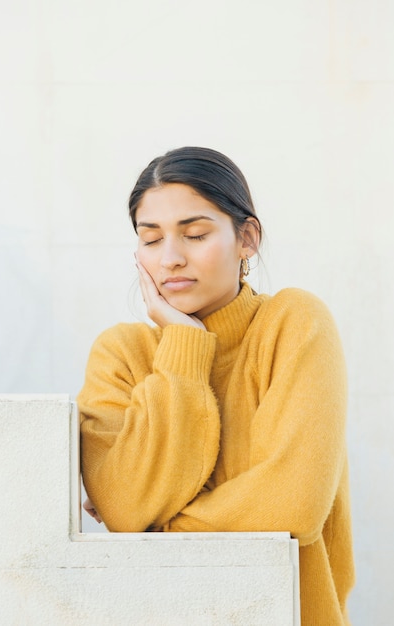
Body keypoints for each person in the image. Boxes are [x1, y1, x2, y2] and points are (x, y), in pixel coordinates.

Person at [77, 146, 355, 625]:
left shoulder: (295, 324)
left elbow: (295, 504)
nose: (170, 259)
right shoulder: (120, 355)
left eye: (196, 234)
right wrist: (185, 344)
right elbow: (123, 508)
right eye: (151, 239)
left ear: (247, 238)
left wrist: (158, 528)